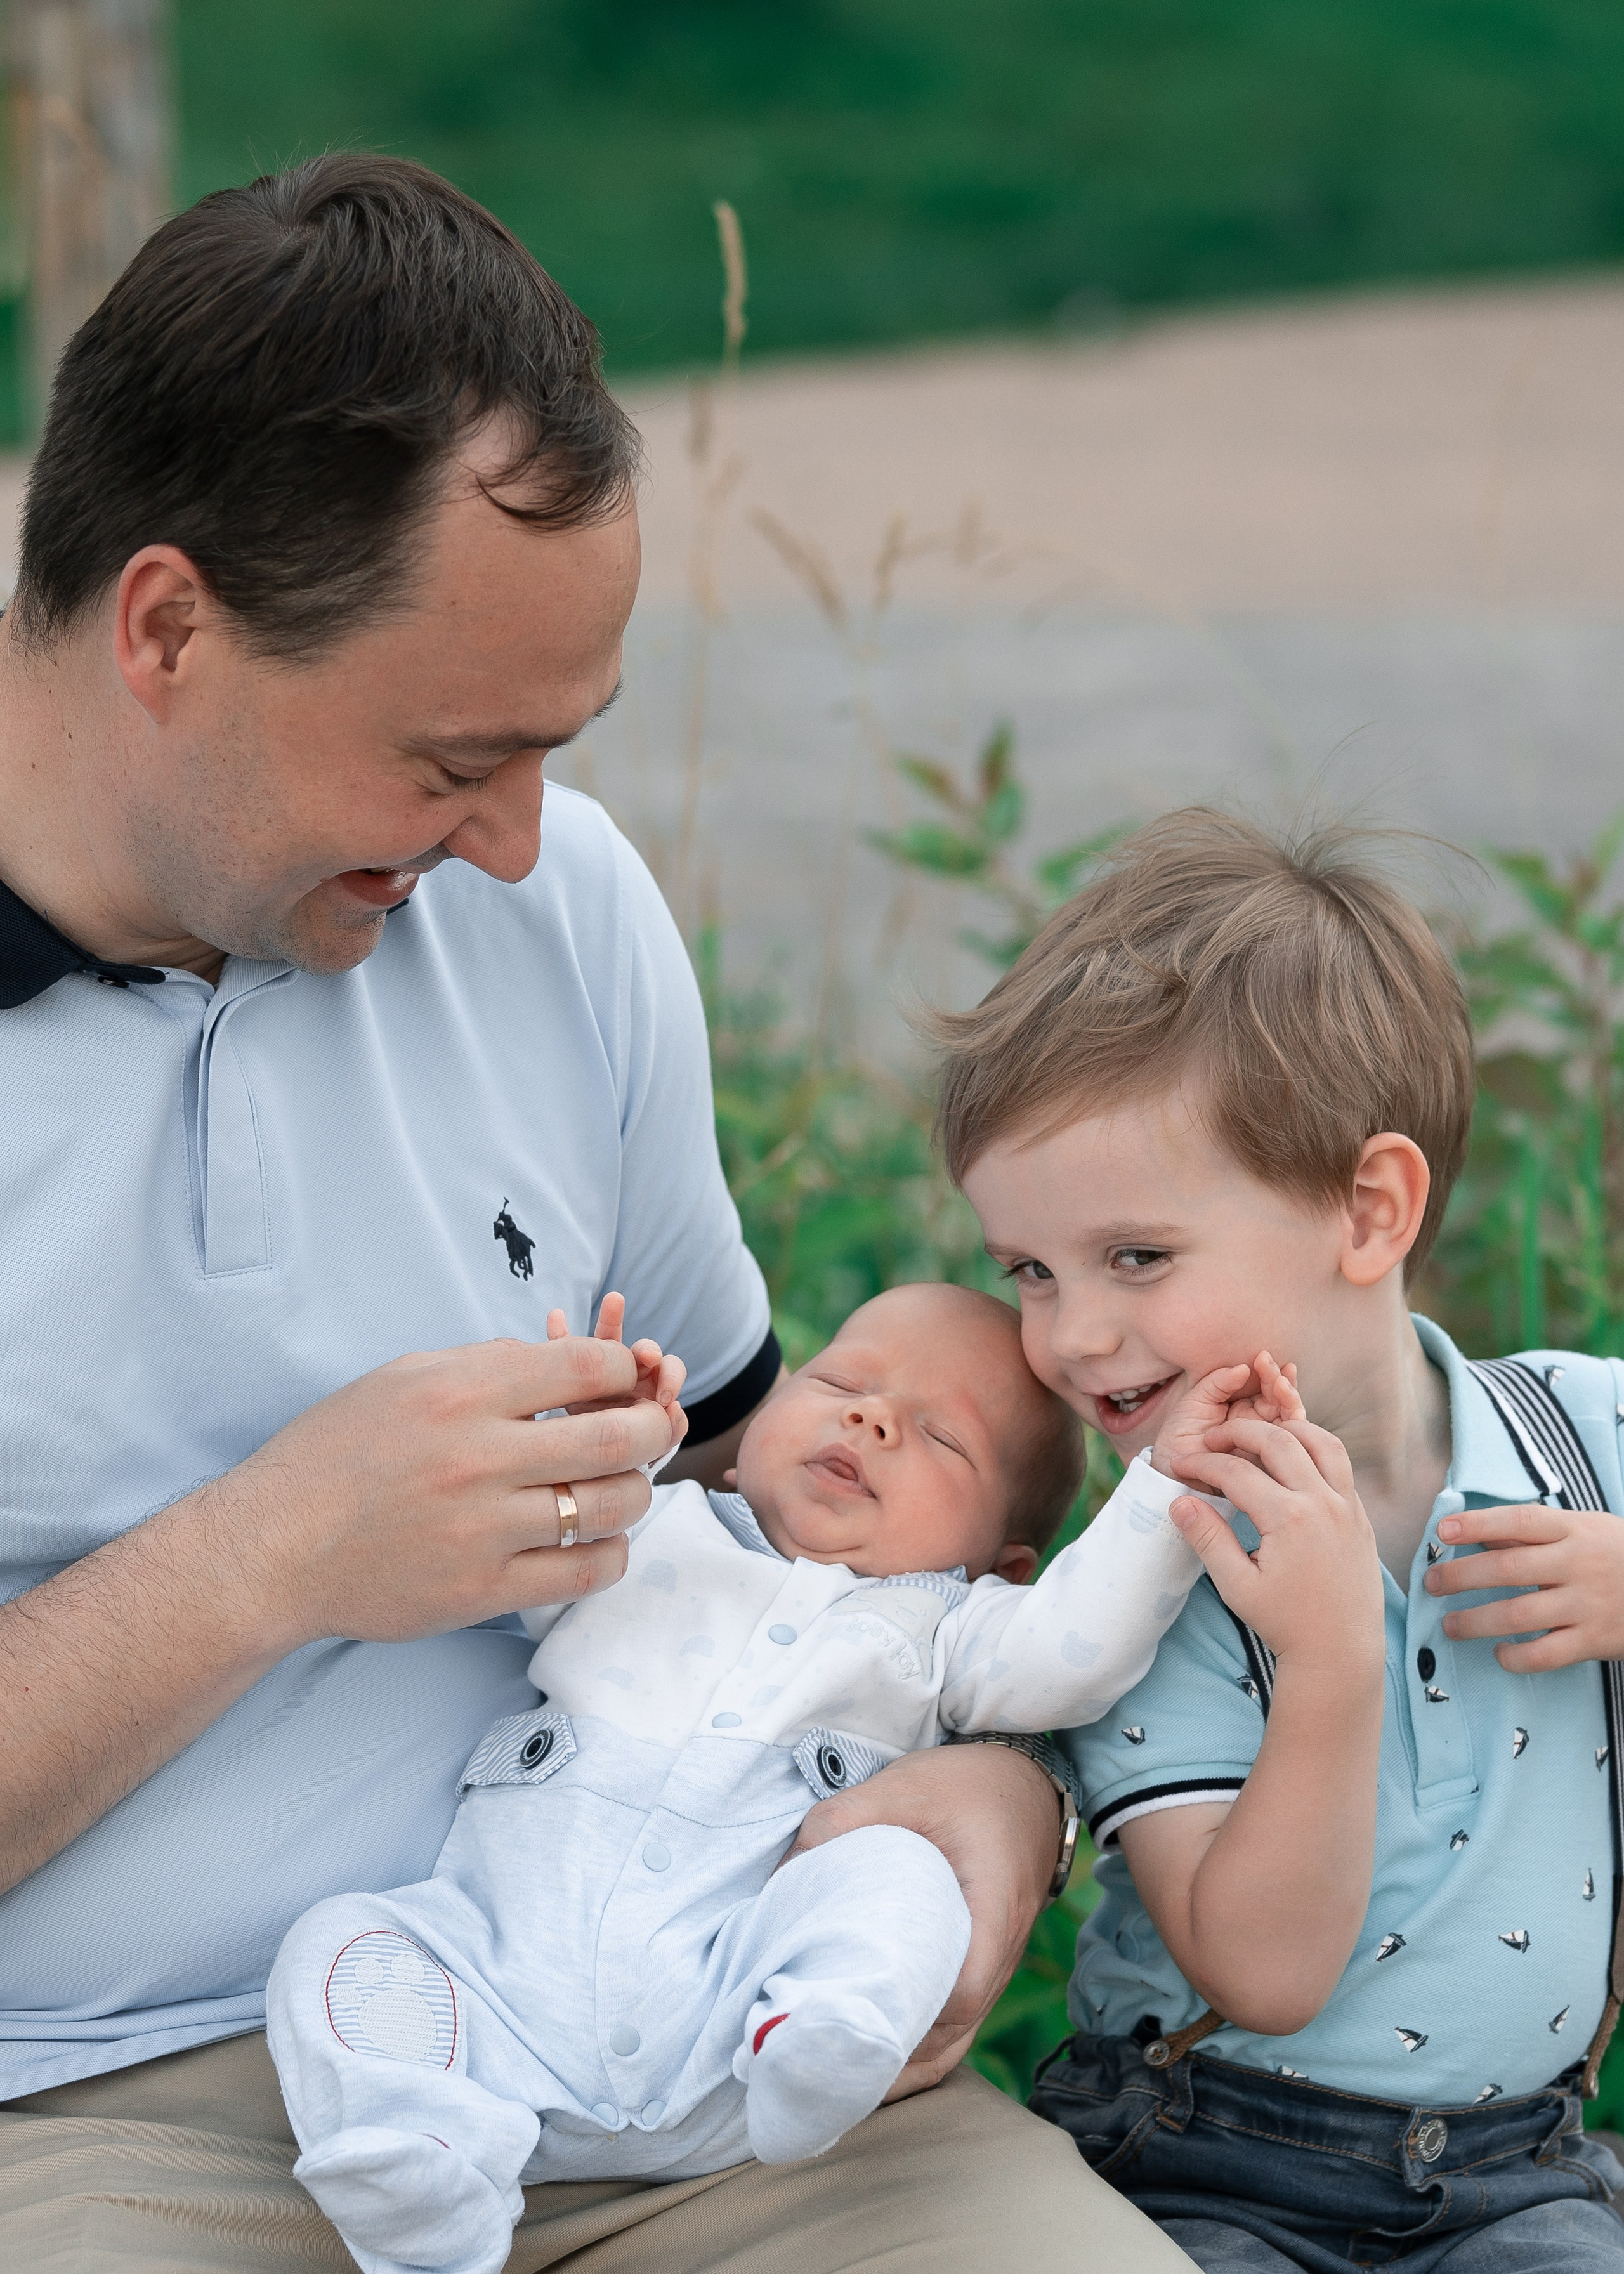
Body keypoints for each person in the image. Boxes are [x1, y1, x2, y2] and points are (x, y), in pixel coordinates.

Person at [0, 157, 1194, 2272]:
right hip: (92, 2112)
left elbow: (758, 1497)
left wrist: (995, 1794)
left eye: (558, 747)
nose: (520, 843)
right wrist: (272, 1551)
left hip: (689, 2049)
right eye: (452, 755)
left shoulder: (561, 917)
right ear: (168, 629)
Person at [931, 806, 1624, 2271]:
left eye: (1134, 1256)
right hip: (1205, 2160)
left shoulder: (1584, 1436)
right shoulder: (1147, 1576)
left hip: (1516, 2172)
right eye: (1029, 1270)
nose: (1072, 1334)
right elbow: (1262, 1970)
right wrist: (1325, 1663)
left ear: (1367, 1209)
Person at [269, 1283, 1275, 2274]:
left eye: (941, 1437)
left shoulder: (949, 1631)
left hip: (738, 2030)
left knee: (901, 1873)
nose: (871, 1417)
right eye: (840, 1381)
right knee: (345, 1941)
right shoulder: (649, 1527)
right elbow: (517, 1541)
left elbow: (1077, 1645)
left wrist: (1167, 1479)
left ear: (1004, 1567)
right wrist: (594, 1447)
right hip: (492, 1987)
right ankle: (424, 2163)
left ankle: (831, 2031)